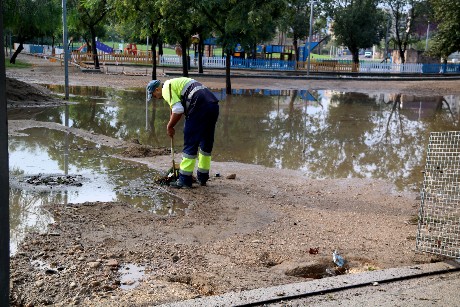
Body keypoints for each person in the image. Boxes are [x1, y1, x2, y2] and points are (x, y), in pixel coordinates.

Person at [147, 78, 219, 188]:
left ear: (157, 89)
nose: (155, 98)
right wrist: (172, 118)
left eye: (153, 95)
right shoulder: (173, 83)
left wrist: (170, 126)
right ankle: (202, 177)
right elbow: (175, 107)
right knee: (206, 141)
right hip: (212, 104)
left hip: (198, 106)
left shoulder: (166, 88)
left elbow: (178, 110)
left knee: (190, 142)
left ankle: (184, 180)